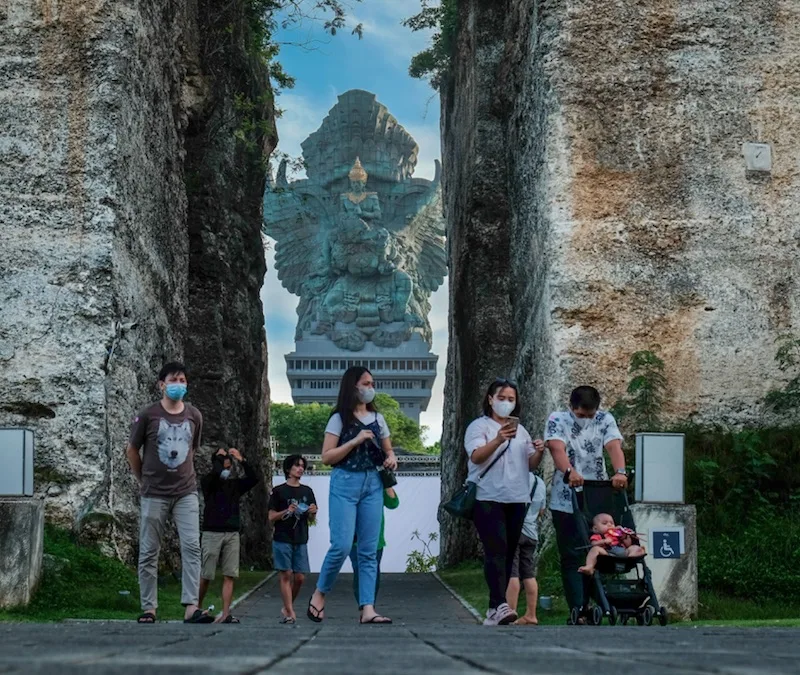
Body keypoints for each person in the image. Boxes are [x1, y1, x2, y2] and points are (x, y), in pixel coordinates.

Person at [308, 366, 398, 625]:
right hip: (345, 482)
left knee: (368, 550)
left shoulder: (379, 418)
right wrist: (354, 441)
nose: (371, 388)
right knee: (342, 544)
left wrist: (391, 458)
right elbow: (327, 457)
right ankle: (319, 593)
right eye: (366, 383)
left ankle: (368, 608)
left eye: (372, 383)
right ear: (353, 386)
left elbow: (388, 450)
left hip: (373, 484)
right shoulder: (339, 418)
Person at [126, 362, 211, 624]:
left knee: (192, 547)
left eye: (183, 380)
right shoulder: (148, 414)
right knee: (150, 551)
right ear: (161, 384)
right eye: (174, 380)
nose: (179, 385)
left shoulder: (194, 415)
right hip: (154, 494)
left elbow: (192, 449)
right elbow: (132, 449)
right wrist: (144, 480)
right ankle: (149, 608)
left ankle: (191, 607)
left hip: (186, 492)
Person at [465, 378, 546, 626]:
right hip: (488, 496)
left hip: (517, 497)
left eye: (511, 399)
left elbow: (530, 464)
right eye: (501, 398)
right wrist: (499, 439)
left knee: (509, 552)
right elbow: (477, 456)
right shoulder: (479, 427)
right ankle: (500, 604)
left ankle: (493, 608)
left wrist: (539, 451)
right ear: (490, 399)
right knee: (495, 549)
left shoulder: (520, 431)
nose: (506, 403)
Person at [544, 385, 628, 619]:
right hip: (566, 495)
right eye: (581, 415)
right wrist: (569, 471)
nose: (585, 419)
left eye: (589, 415)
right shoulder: (557, 419)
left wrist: (620, 471)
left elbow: (613, 445)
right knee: (572, 554)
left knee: (598, 548)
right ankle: (578, 607)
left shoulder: (604, 419)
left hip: (595, 493)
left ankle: (598, 601)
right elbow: (556, 447)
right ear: (572, 408)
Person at [198, 447, 260, 623]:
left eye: (227, 457)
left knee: (229, 574)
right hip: (212, 532)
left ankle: (226, 613)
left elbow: (253, 478)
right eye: (222, 457)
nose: (226, 459)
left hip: (232, 532)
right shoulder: (209, 481)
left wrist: (241, 460)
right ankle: (196, 608)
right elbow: (216, 473)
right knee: (206, 574)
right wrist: (219, 458)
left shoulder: (234, 484)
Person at [268, 455, 317, 624]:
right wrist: (286, 511)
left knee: (300, 577)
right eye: (297, 466)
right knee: (286, 574)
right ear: (288, 469)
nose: (300, 469)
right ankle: (289, 612)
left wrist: (312, 512)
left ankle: (287, 606)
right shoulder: (279, 491)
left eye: (302, 466)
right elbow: (271, 516)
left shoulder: (307, 491)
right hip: (282, 537)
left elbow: (311, 519)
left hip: (301, 538)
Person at [506, 472, 547, 625]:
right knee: (528, 574)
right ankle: (531, 614)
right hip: (531, 534)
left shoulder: (513, 478)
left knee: (513, 573)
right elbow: (541, 511)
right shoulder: (539, 482)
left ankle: (510, 612)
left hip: (515, 532)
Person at [349, 486, 400, 605]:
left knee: (374, 573)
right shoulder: (353, 483)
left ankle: (370, 606)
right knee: (359, 572)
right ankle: (363, 607)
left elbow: (393, 503)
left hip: (376, 539)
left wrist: (387, 480)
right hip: (355, 537)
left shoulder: (378, 484)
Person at [578, 514, 646, 575]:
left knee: (634, 547)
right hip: (608, 555)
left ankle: (634, 555)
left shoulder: (617, 534)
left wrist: (624, 536)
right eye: (605, 523)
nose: (609, 525)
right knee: (595, 549)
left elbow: (628, 545)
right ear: (596, 529)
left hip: (624, 553)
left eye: (612, 523)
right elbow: (593, 544)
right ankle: (589, 566)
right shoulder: (598, 536)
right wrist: (603, 541)